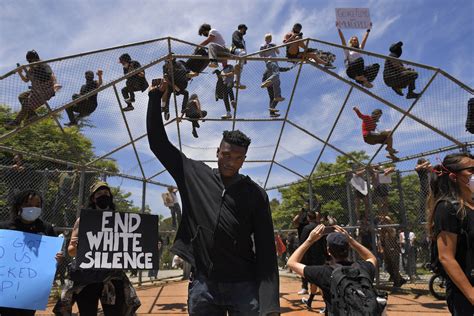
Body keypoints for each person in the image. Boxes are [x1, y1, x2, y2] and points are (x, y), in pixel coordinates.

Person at [146, 81, 280, 315]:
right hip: (204, 285)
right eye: (226, 154)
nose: (230, 161)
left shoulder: (255, 194)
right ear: (217, 152)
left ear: (244, 159)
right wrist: (154, 98)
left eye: (238, 158)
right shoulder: (194, 174)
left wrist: (270, 306)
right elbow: (158, 144)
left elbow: (267, 250)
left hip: (243, 286)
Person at [58, 181, 140, 315]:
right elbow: (71, 251)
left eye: (106, 193)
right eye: (99, 193)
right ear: (93, 198)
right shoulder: (83, 220)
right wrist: (77, 246)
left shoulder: (120, 221)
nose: (103, 196)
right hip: (87, 277)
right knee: (87, 312)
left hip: (112, 277)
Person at [287, 225, 378, 316]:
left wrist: (309, 240)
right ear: (348, 248)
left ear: (328, 251)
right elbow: (371, 257)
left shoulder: (325, 272)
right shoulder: (363, 268)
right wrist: (350, 240)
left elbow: (291, 263)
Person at [0, 190, 61, 316]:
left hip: (30, 292)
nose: (33, 208)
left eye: (37, 205)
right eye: (28, 204)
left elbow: (53, 256)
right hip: (5, 289)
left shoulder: (46, 229)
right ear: (18, 206)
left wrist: (58, 259)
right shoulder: (4, 228)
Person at [427, 153, 474, 315]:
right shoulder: (448, 207)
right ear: (454, 177)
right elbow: (446, 257)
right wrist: (471, 294)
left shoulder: (472, 205)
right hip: (465, 293)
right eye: (471, 171)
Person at [7, 50, 60, 129]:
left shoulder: (43, 65)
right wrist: (20, 72)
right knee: (22, 97)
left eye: (34, 60)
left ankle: (16, 121)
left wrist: (55, 84)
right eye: (31, 61)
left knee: (27, 104)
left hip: (45, 90)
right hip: (36, 90)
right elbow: (26, 80)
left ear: (37, 59)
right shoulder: (30, 69)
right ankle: (32, 114)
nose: (33, 62)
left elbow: (52, 75)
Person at [337, 23, 380, 88]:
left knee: (376, 66)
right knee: (360, 60)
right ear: (351, 42)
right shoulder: (348, 50)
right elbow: (343, 40)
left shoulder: (359, 49)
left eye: (356, 40)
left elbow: (364, 40)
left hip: (361, 69)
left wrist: (368, 31)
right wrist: (339, 29)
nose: (356, 41)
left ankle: (364, 80)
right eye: (354, 40)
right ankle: (358, 78)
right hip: (352, 70)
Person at [299, 211, 327, 309]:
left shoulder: (306, 228)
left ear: (308, 218)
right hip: (321, 257)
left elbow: (303, 243)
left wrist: (303, 258)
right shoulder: (320, 227)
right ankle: (310, 301)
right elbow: (324, 243)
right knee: (315, 281)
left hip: (311, 258)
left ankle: (328, 305)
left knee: (318, 282)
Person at [260, 33, 286, 117]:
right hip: (270, 63)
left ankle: (272, 112)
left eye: (269, 38)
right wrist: (265, 47)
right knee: (276, 74)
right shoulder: (263, 46)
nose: (269, 39)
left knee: (275, 96)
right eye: (268, 38)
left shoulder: (272, 44)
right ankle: (268, 82)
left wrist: (274, 46)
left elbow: (277, 51)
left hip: (273, 68)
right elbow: (261, 55)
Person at [379, 215, 406, 288]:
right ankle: (400, 279)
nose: (384, 223)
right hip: (387, 250)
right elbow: (381, 240)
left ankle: (397, 282)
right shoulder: (383, 231)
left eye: (386, 222)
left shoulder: (392, 229)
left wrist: (385, 226)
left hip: (394, 250)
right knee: (388, 267)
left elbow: (392, 234)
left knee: (395, 267)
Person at [292, 206, 310, 295]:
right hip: (303, 247)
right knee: (303, 266)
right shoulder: (301, 225)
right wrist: (300, 212)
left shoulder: (313, 223)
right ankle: (305, 287)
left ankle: (316, 286)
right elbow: (294, 221)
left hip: (314, 247)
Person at [230, 24, 248, 89]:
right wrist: (242, 47)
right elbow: (236, 40)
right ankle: (237, 66)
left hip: (242, 53)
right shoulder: (236, 33)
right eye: (244, 29)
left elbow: (244, 48)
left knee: (240, 68)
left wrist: (245, 58)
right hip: (237, 50)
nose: (245, 31)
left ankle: (236, 82)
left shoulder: (243, 39)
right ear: (241, 28)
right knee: (239, 64)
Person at [415, 158, 432, 223]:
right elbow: (416, 168)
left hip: (429, 187)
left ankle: (431, 216)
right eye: (423, 162)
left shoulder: (426, 168)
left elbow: (431, 167)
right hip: (423, 187)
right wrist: (426, 163)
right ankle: (422, 219)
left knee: (430, 202)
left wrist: (427, 165)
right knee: (422, 203)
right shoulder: (419, 169)